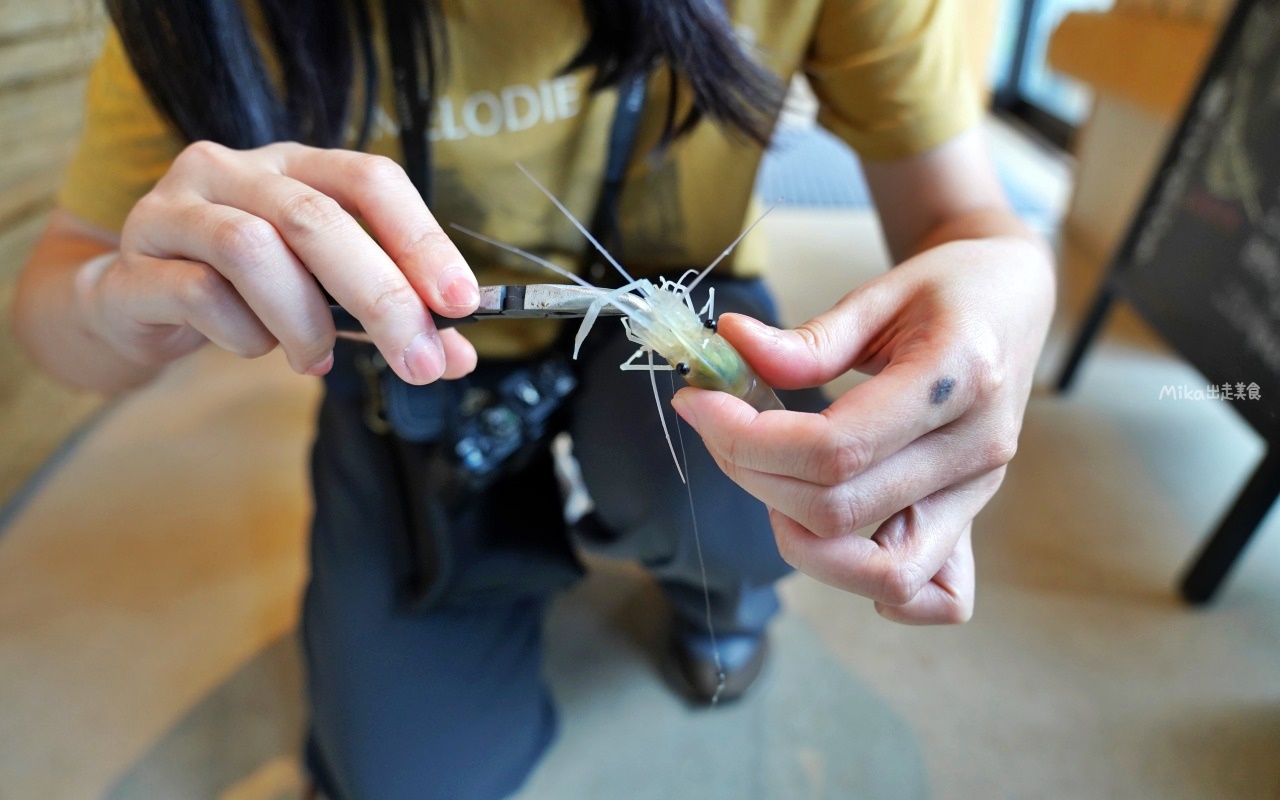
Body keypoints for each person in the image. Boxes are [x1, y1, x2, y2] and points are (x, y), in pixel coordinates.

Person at [13, 0, 1055, 797]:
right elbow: (58, 298)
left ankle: (720, 587)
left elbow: (961, 210)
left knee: (753, 499)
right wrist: (117, 296)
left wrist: (1008, 281)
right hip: (409, 364)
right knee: (403, 769)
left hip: (691, 300)